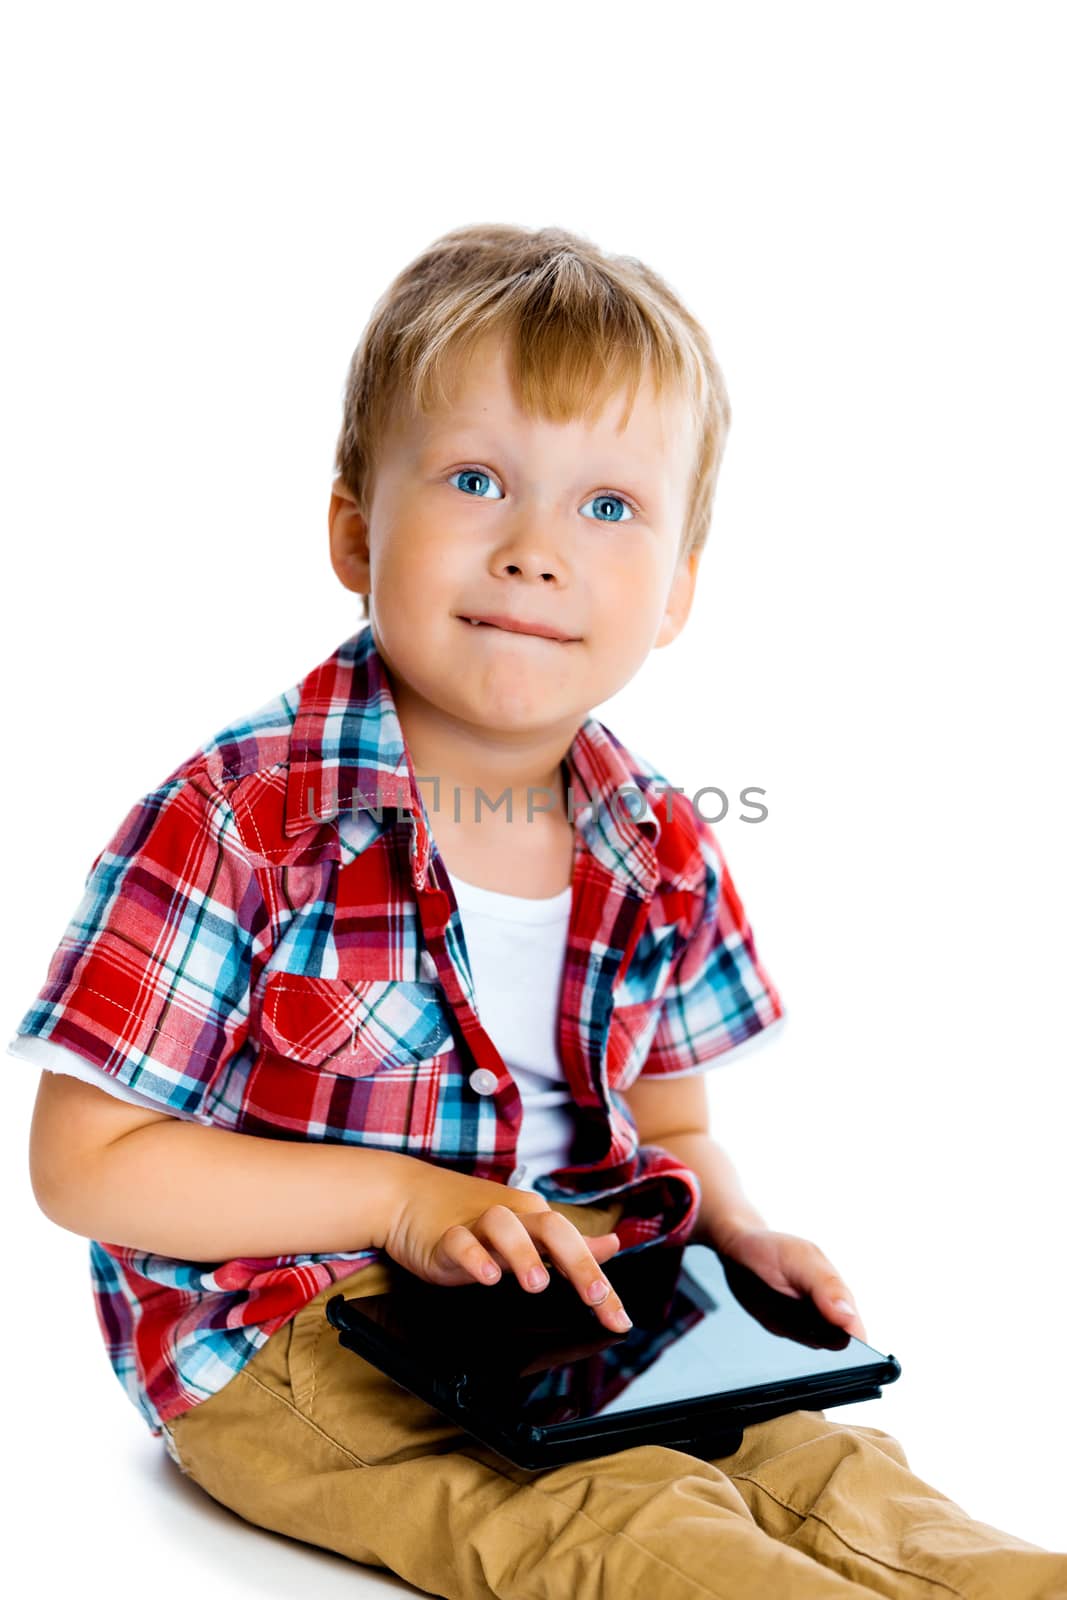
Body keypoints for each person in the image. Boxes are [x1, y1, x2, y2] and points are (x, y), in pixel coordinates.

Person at [14, 223, 1064, 1599]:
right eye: (474, 480)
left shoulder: (660, 842)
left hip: (578, 1304)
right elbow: (85, 1162)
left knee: (836, 1475)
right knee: (623, 1523)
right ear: (354, 528)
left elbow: (673, 1119)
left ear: (678, 589)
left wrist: (733, 1229)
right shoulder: (240, 818)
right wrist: (402, 1203)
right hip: (290, 1325)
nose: (533, 550)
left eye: (610, 508)